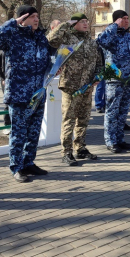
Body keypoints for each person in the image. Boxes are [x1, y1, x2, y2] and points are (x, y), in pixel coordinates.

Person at [0, 5, 53, 183]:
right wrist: (12, 23)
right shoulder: (12, 35)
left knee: (33, 132)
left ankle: (28, 162)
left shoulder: (40, 37)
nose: (36, 19)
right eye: (32, 16)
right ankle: (16, 167)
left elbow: (45, 60)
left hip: (38, 93)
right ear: (22, 19)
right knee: (18, 133)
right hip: (19, 94)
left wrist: (54, 68)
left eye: (37, 16)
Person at [47, 14, 103, 166]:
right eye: (82, 21)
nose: (86, 24)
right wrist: (65, 24)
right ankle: (66, 152)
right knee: (69, 120)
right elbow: (51, 40)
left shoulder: (91, 42)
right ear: (74, 24)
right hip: (71, 86)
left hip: (87, 87)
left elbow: (98, 62)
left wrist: (98, 76)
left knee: (83, 120)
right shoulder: (67, 38)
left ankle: (81, 148)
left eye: (86, 21)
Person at [97, 10, 130, 153]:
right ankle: (110, 141)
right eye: (123, 18)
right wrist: (115, 25)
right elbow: (101, 41)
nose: (127, 21)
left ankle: (119, 139)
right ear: (116, 20)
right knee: (112, 111)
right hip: (114, 79)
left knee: (123, 112)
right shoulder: (110, 35)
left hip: (128, 79)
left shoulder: (129, 37)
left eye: (128, 18)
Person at [0, 49, 11, 129]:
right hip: (5, 80)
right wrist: (2, 78)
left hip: (13, 81)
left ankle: (11, 123)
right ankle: (7, 123)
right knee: (7, 103)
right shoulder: (2, 51)